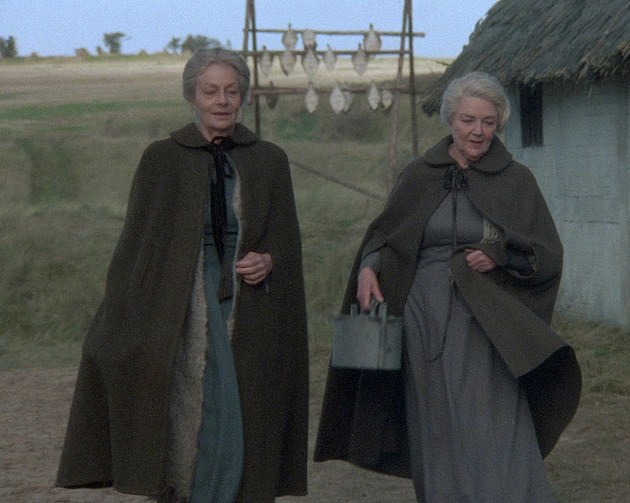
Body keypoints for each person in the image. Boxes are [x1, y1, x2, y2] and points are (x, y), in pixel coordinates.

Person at [314, 71, 582, 502]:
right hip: (422, 317)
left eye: (488, 122)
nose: (478, 131)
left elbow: (545, 254)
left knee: (492, 421)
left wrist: (498, 253)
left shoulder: (516, 180)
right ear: (450, 120)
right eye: (467, 120)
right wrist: (367, 268)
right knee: (434, 420)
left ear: (498, 124)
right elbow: (386, 236)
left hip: (486, 322)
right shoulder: (420, 174)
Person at [55, 47, 309, 502]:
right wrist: (118, 320)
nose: (221, 101)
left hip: (249, 303)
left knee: (242, 405)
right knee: (199, 403)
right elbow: (139, 246)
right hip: (182, 300)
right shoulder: (162, 159)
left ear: (245, 97)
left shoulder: (269, 159)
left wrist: (268, 260)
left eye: (231, 91)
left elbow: (285, 240)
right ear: (191, 96)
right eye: (210, 91)